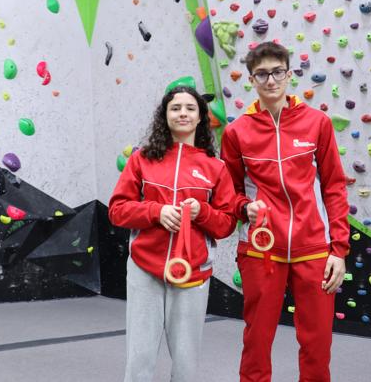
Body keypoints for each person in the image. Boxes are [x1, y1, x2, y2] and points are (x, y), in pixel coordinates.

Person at [220, 42, 350, 382]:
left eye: (277, 71)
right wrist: (244, 207)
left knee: (318, 343)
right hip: (262, 249)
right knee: (257, 342)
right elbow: (227, 194)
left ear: (289, 74)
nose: (271, 80)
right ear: (251, 79)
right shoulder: (236, 132)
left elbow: (334, 187)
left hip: (314, 248)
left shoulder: (317, 122)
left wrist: (339, 249)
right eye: (261, 74)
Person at [108, 85, 237, 382]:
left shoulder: (216, 167)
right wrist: (156, 212)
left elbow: (227, 223)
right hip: (144, 270)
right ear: (164, 115)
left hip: (192, 273)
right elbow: (117, 210)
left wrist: (200, 213)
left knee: (186, 361)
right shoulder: (141, 160)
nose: (183, 113)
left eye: (190, 108)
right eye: (175, 108)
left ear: (201, 117)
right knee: (139, 358)